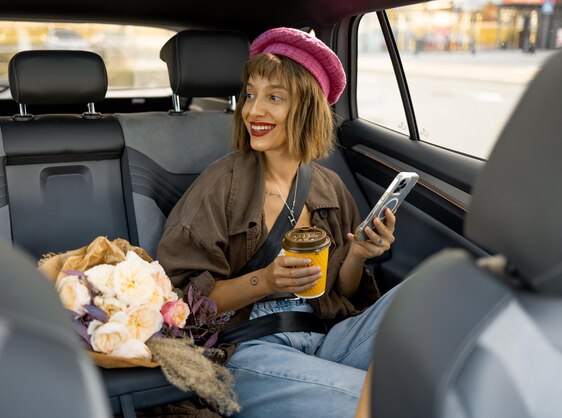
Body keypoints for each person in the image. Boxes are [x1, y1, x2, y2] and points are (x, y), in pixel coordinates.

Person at [157, 27, 403, 417]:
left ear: (307, 108)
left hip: (328, 336)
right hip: (249, 348)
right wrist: (266, 281)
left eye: (274, 97)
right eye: (251, 94)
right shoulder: (221, 184)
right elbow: (177, 302)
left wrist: (357, 253)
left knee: (426, 293)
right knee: (391, 401)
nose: (253, 110)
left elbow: (343, 290)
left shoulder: (330, 187)